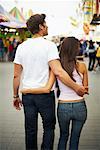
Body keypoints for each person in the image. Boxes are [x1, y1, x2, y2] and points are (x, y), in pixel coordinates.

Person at [13, 14, 85, 150]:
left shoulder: (21, 47)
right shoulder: (49, 46)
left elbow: (16, 75)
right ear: (40, 27)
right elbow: (58, 71)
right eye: (45, 24)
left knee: (30, 129)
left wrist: (15, 96)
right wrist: (76, 87)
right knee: (49, 128)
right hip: (45, 96)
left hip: (27, 95)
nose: (47, 26)